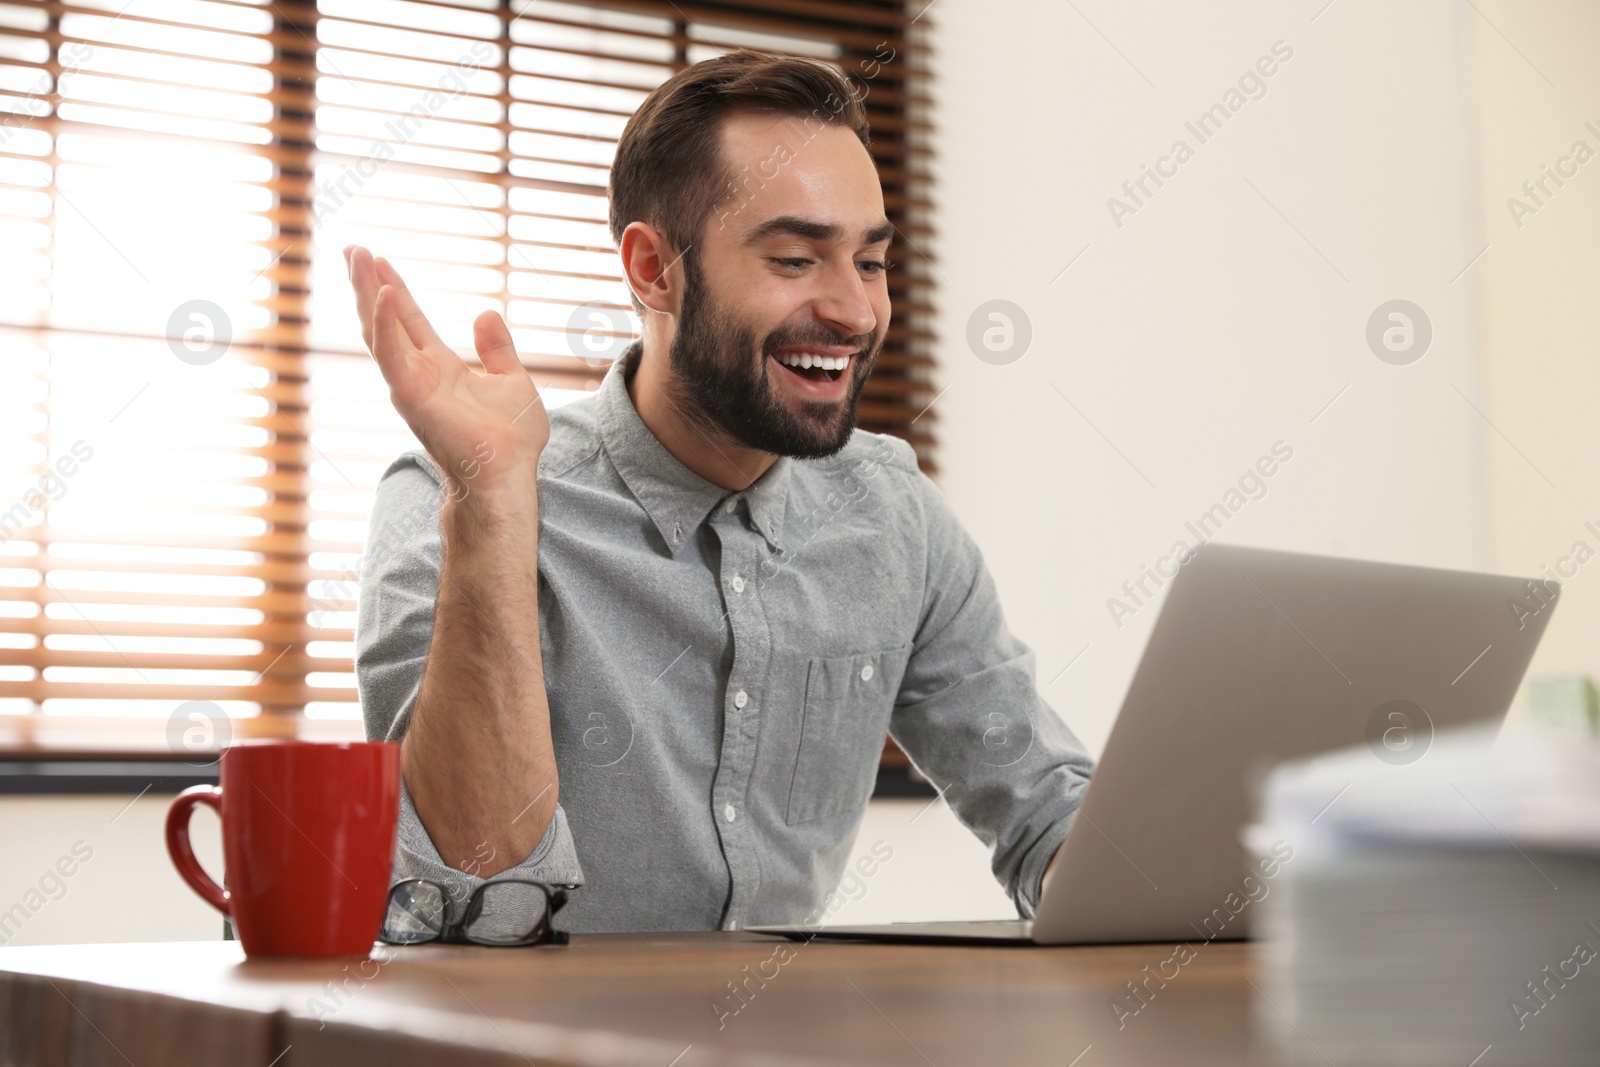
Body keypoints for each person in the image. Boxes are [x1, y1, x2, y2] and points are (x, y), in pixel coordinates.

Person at [349, 48, 1094, 933]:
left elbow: (1046, 808)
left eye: (870, 262)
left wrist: (1206, 877)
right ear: (653, 269)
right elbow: (471, 892)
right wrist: (493, 507)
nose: (855, 312)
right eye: (794, 259)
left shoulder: (892, 516)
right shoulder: (459, 494)